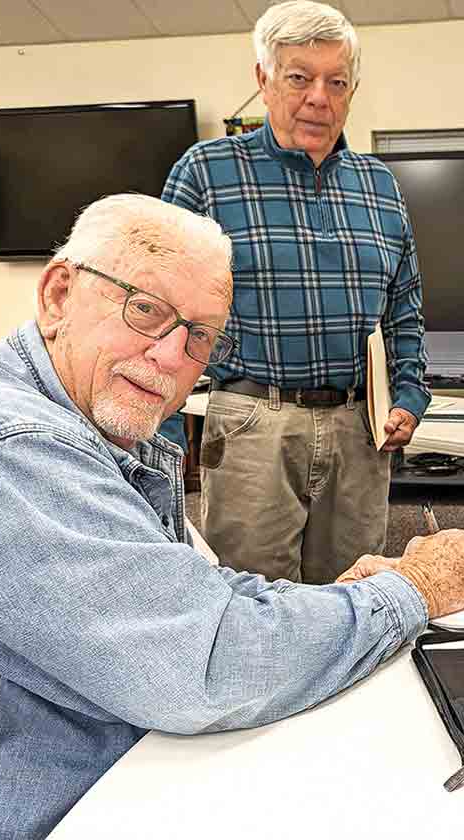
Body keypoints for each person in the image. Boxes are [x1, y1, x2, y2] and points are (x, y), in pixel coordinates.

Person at [0, 194, 464, 839]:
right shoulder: (11, 451)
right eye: (145, 310)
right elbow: (205, 664)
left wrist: (355, 601)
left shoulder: (81, 416)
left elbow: (192, 598)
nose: (173, 356)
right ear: (58, 295)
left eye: (200, 336)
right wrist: (410, 594)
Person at [161, 0, 430, 583]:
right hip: (252, 422)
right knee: (250, 603)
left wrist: (409, 394)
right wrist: (159, 424)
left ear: (352, 90)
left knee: (353, 597)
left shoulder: (379, 186)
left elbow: (405, 307)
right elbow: (163, 309)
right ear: (263, 79)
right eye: (299, 78)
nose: (319, 97)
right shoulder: (205, 173)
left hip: (362, 431)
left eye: (337, 82)